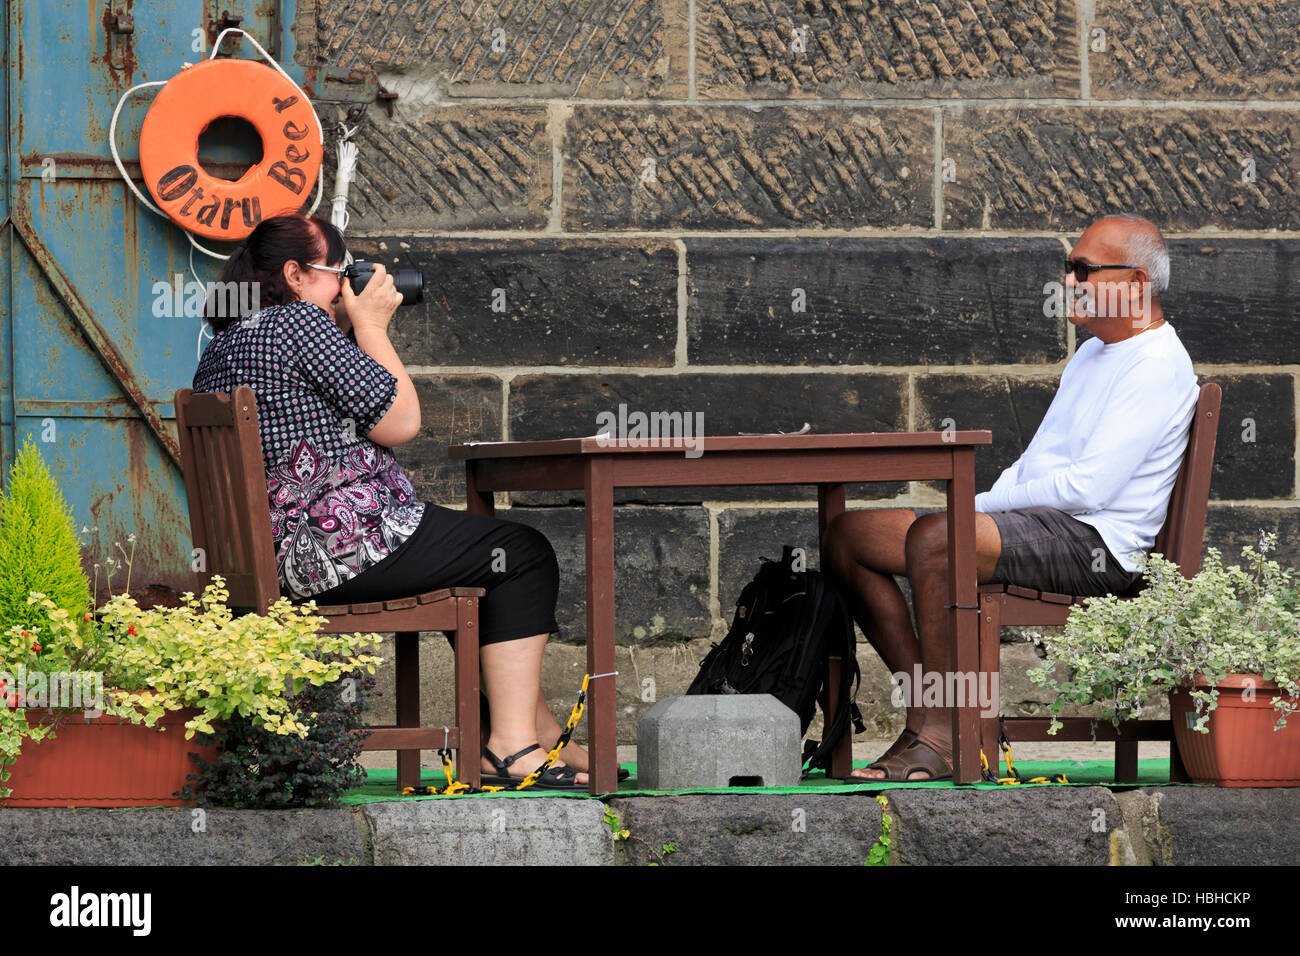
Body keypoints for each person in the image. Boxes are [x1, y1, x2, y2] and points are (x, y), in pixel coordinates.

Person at [192, 213, 591, 788]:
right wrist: (374, 326)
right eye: (338, 272)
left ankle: (540, 732)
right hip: (339, 547)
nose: (346, 286)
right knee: (521, 552)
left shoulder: (227, 343)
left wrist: (354, 327)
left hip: (279, 557)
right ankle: (509, 747)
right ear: (295, 275)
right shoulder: (297, 326)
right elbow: (401, 422)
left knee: (481, 562)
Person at [820, 214, 1200, 781]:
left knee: (939, 537)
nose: (1069, 281)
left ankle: (948, 736)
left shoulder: (1157, 364)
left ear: (1137, 284)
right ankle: (930, 711)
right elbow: (1037, 461)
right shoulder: (1094, 353)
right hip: (1043, 523)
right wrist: (983, 504)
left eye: (1084, 270)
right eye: (1069, 268)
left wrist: (973, 509)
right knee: (849, 538)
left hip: (1097, 545)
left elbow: (1087, 489)